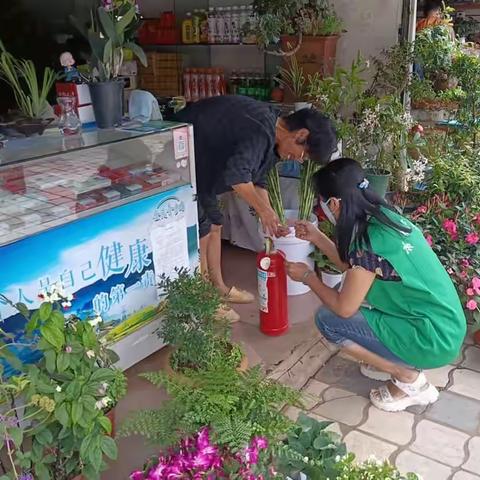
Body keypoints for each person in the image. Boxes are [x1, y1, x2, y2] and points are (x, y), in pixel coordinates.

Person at [286, 158, 466, 412]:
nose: (321, 210)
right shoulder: (384, 218)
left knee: (328, 318)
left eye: (321, 204)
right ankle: (389, 354)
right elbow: (354, 266)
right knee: (354, 294)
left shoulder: (367, 243)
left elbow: (344, 308)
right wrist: (317, 236)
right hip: (443, 326)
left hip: (431, 340)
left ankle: (404, 375)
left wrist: (308, 278)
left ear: (334, 204)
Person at [175, 95, 337, 322]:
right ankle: (205, 301)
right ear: (301, 134)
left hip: (203, 172)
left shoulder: (274, 138)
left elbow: (258, 180)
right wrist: (265, 212)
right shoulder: (260, 130)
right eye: (305, 155)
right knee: (203, 231)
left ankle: (218, 287)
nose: (300, 160)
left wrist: (272, 219)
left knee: (215, 225)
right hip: (182, 163)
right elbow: (237, 177)